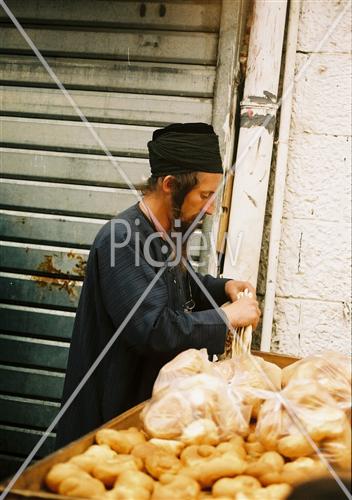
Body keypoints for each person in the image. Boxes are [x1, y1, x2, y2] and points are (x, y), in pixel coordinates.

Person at [55, 123, 261, 448]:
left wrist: (224, 288)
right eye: (204, 196)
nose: (209, 207)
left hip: (147, 412)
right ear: (169, 184)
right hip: (109, 419)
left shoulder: (166, 231)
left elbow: (180, 284)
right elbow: (152, 330)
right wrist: (227, 318)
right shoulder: (121, 239)